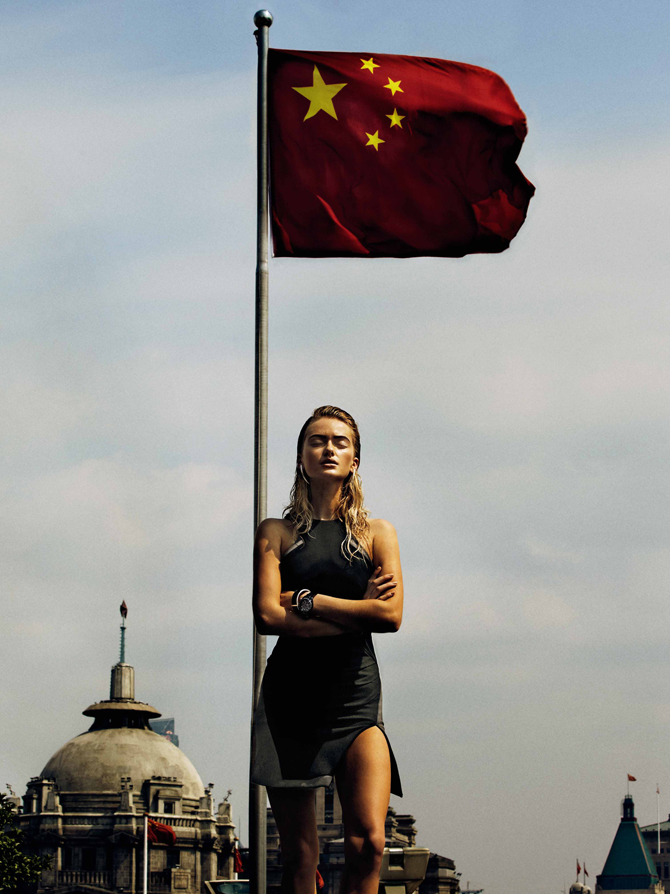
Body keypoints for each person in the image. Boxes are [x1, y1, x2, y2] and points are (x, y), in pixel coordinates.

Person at [252, 405, 404, 894]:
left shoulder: (377, 533)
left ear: (355, 459)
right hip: (290, 701)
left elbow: (390, 616)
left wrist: (310, 602)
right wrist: (357, 612)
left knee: (369, 844)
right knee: (299, 856)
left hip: (356, 698)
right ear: (302, 456)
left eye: (340, 441)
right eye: (317, 441)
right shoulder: (275, 532)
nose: (329, 449)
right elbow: (267, 616)